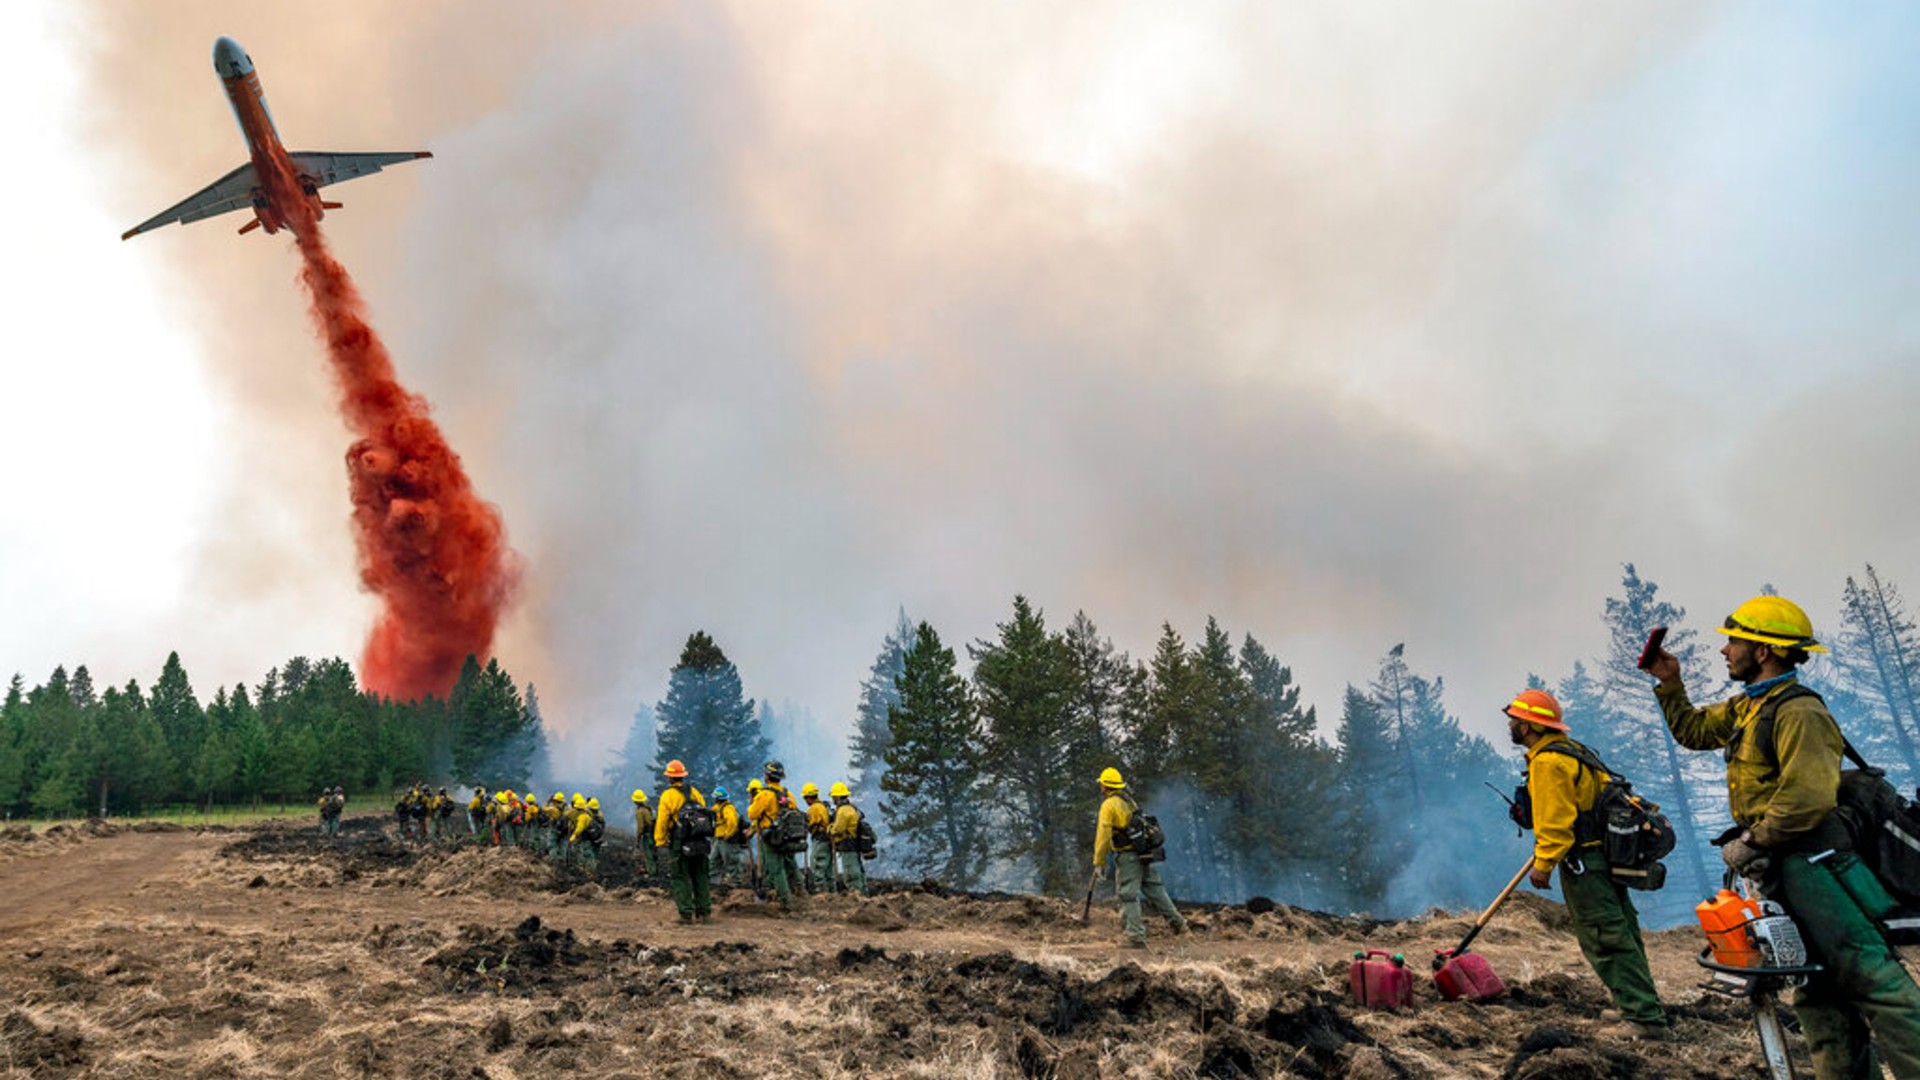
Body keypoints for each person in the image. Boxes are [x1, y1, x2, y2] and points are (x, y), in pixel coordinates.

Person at [1648, 595, 1920, 1080]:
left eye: (1734, 641)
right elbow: (1693, 730)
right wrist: (1670, 683)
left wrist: (1753, 840)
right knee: (1817, 988)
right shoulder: (1750, 708)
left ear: (1765, 651)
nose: (1725, 650)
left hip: (1817, 863)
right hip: (1784, 866)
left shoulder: (1799, 713)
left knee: (1872, 979)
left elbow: (1807, 799)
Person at [1505, 688, 1667, 1040]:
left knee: (1605, 937)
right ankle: (1636, 1006)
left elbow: (1556, 823)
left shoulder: (1548, 762)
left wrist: (1544, 863)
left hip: (1585, 862)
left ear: (1528, 726)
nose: (1511, 725)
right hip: (1604, 857)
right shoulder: (1572, 751)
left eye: (1515, 720)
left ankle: (1644, 1020)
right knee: (1621, 930)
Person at [1093, 766, 1185, 949]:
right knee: (1156, 891)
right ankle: (1180, 926)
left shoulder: (1109, 805)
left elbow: (1103, 835)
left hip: (1128, 856)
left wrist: (1099, 862)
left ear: (1105, 786)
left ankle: (1135, 937)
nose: (1100, 787)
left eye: (1101, 784)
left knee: (1128, 895)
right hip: (1143, 853)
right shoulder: (1128, 801)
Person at [654, 760, 712, 923]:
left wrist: (660, 840)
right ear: (683, 776)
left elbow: (662, 820)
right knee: (700, 875)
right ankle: (705, 913)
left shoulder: (668, 795)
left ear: (669, 778)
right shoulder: (695, 792)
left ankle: (686, 914)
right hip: (700, 841)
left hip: (680, 842)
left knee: (680, 877)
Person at [748, 760, 806, 913]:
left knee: (776, 869)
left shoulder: (764, 794)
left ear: (767, 776)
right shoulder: (788, 794)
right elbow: (795, 810)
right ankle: (802, 895)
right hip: (787, 836)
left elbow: (752, 814)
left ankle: (786, 903)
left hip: (771, 837)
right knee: (791, 865)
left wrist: (753, 801)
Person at [828, 782, 870, 896]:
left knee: (850, 872)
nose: (832, 799)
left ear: (837, 796)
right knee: (858, 871)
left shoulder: (843, 811)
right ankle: (864, 895)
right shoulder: (852, 808)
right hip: (854, 843)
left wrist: (830, 829)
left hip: (847, 845)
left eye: (833, 796)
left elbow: (839, 829)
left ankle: (856, 895)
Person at [802, 783, 832, 892]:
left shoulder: (814, 808)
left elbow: (809, 824)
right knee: (828, 867)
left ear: (808, 797)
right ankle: (831, 892)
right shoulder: (823, 806)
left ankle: (821, 890)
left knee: (817, 863)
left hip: (820, 839)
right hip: (828, 839)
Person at [711, 788, 744, 885]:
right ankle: (713, 883)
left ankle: (735, 883)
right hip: (719, 839)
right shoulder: (718, 807)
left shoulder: (727, 808)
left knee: (731, 862)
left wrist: (728, 834)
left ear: (718, 798)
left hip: (727, 840)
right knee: (713, 861)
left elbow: (732, 822)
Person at [631, 790, 656, 879]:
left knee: (648, 854)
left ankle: (651, 872)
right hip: (653, 834)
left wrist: (638, 838)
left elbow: (640, 827)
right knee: (653, 853)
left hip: (647, 835)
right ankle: (653, 869)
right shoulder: (648, 809)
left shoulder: (640, 811)